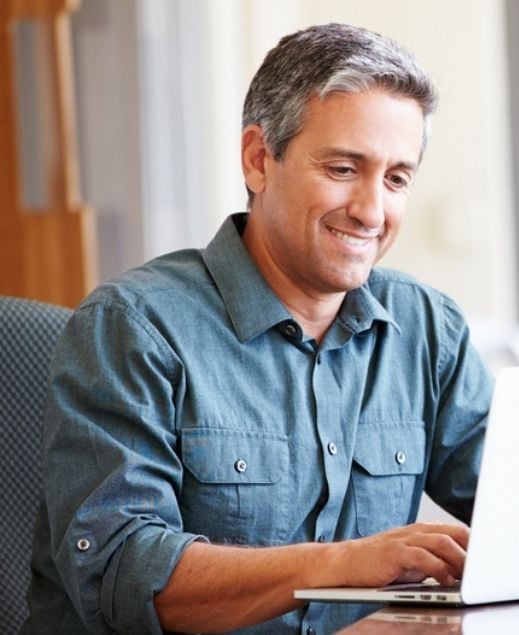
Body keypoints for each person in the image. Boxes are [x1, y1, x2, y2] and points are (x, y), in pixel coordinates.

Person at [25, 24, 493, 633]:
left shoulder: (428, 329)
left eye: (397, 178)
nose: (372, 211)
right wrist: (344, 564)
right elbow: (120, 571)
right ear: (258, 159)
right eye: (344, 168)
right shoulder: (134, 327)